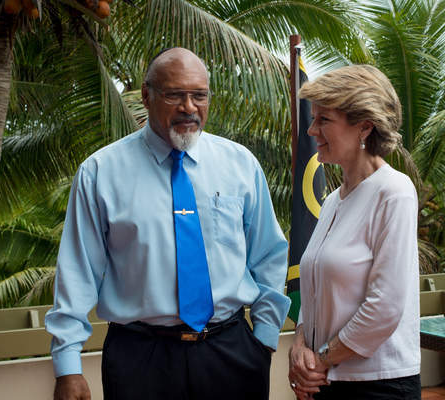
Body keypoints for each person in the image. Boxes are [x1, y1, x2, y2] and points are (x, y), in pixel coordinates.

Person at [45, 47, 291, 400]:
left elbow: (268, 255)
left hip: (233, 354)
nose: (189, 107)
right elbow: (77, 272)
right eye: (175, 94)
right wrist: (67, 365)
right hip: (140, 360)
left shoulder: (241, 165)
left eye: (199, 95)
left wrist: (264, 340)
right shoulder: (100, 173)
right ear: (147, 95)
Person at [287, 64, 421, 400]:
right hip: (327, 381)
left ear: (364, 126)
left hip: (378, 386)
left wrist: (320, 359)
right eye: (314, 118)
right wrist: (300, 345)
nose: (311, 130)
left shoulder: (394, 191)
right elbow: (314, 287)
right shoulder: (333, 200)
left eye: (324, 120)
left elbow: (385, 306)